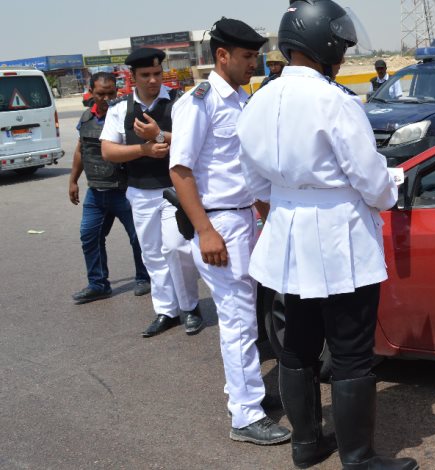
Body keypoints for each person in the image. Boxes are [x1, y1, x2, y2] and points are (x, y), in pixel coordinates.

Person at [237, 1, 419, 469]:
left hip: (287, 234)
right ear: (325, 44)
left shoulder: (258, 100)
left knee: (295, 348)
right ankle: (357, 458)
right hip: (340, 237)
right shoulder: (335, 101)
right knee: (351, 351)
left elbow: (253, 181)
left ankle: (305, 445)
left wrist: (288, 200)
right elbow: (371, 179)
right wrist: (389, 191)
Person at [168, 17, 293, 447]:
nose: (254, 63)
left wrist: (265, 212)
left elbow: (245, 169)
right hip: (219, 221)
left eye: (256, 55)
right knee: (238, 318)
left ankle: (245, 395)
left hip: (244, 218)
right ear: (222, 56)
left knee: (248, 312)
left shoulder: (241, 99)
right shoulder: (198, 102)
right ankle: (245, 415)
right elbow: (181, 170)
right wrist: (205, 231)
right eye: (247, 56)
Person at [100, 48, 203, 338]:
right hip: (140, 190)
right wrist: (143, 149)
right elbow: (108, 150)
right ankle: (166, 310)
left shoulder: (178, 102)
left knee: (176, 247)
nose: (153, 80)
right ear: (132, 77)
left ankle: (190, 306)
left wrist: (158, 136)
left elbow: (192, 139)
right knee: (153, 253)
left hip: (174, 189)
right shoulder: (121, 109)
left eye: (157, 74)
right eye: (146, 75)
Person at [68, 72, 150, 304]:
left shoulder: (125, 116)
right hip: (96, 192)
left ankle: (144, 277)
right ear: (91, 92)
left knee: (138, 237)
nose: (105, 98)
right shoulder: (85, 118)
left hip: (123, 190)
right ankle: (98, 284)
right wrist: (73, 180)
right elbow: (80, 150)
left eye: (110, 93)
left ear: (118, 91)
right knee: (89, 236)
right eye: (100, 93)